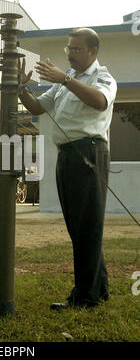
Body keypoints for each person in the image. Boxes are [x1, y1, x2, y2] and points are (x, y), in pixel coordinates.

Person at [18, 28, 117, 309]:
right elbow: (37, 107)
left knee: (87, 227)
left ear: (93, 51)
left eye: (76, 49)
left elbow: (99, 102)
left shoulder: (102, 78)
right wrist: (21, 88)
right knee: (79, 227)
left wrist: (66, 78)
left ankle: (85, 297)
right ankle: (99, 289)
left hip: (89, 153)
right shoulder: (64, 83)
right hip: (67, 156)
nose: (70, 54)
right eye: (68, 49)